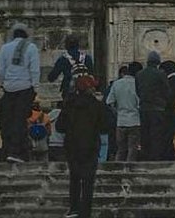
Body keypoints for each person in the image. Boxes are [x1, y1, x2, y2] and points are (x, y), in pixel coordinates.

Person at [56, 75, 113, 218]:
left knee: (74, 178)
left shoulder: (69, 105)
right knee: (88, 181)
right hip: (91, 146)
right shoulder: (97, 105)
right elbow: (106, 126)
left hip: (72, 146)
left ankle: (74, 208)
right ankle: (85, 211)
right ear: (90, 89)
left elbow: (60, 126)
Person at [0, 23, 39, 163]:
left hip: (9, 89)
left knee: (9, 119)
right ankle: (18, 151)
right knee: (20, 121)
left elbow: (0, 71)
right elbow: (34, 69)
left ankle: (8, 150)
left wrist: (2, 84)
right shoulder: (31, 48)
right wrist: (35, 87)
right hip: (25, 87)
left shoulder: (4, 48)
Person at [135, 51, 174, 161]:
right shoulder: (161, 74)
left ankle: (145, 155)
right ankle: (155, 157)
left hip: (144, 108)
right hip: (158, 108)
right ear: (157, 62)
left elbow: (137, 91)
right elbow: (167, 91)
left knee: (145, 133)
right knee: (156, 134)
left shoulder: (139, 74)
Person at [106, 62, 141, 162]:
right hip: (134, 121)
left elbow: (110, 102)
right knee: (132, 149)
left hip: (120, 121)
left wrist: (117, 112)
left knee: (120, 150)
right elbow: (139, 103)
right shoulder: (136, 84)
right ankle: (129, 171)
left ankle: (118, 170)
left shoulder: (117, 84)